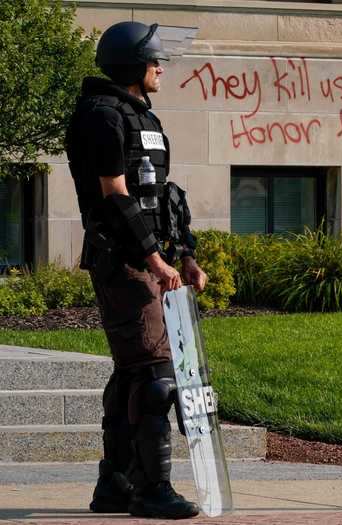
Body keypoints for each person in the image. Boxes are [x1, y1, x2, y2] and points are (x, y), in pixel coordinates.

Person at [65, 21, 207, 519]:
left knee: (134, 375)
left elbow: (163, 195)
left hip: (150, 261)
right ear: (132, 65)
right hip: (122, 262)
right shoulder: (102, 116)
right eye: (153, 60)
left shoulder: (141, 116)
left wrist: (186, 253)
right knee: (155, 376)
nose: (160, 67)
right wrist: (154, 259)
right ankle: (152, 490)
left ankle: (115, 485)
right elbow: (116, 198)